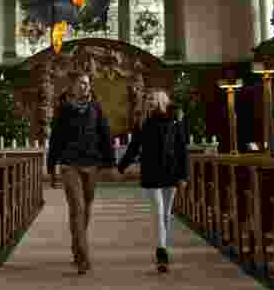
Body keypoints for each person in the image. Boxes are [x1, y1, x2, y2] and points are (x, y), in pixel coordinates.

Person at [46, 73, 115, 274]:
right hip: (70, 165)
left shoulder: (96, 108)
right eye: (80, 84)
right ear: (73, 87)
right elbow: (56, 140)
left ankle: (77, 246)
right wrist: (51, 167)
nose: (84, 87)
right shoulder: (64, 110)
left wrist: (110, 163)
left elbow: (105, 134)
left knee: (86, 208)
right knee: (77, 208)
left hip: (91, 164)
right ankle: (83, 257)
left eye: (86, 83)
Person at [117, 92, 189, 273]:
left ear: (162, 101)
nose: (149, 102)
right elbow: (134, 147)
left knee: (166, 214)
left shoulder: (175, 120)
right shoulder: (142, 122)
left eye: (152, 99)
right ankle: (161, 252)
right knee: (158, 213)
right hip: (151, 173)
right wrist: (120, 167)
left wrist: (184, 175)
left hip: (170, 172)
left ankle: (163, 244)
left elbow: (182, 149)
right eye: (148, 100)